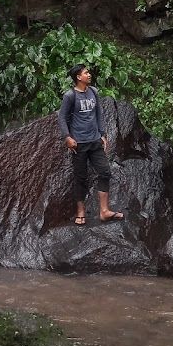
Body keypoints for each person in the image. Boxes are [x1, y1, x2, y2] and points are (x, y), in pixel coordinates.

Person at [57, 63, 124, 226]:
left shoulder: (93, 92)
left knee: (105, 172)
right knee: (80, 177)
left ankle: (104, 211)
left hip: (94, 141)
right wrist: (67, 137)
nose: (89, 75)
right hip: (78, 143)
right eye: (86, 73)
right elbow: (61, 117)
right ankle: (80, 212)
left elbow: (99, 113)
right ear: (78, 77)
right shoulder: (70, 96)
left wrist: (102, 134)